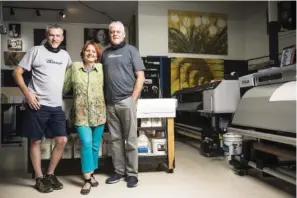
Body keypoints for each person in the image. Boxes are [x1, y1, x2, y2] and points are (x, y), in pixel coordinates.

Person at [12, 24, 72, 193]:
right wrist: (28, 94)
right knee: (36, 141)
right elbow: (17, 72)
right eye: (51, 35)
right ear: (47, 35)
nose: (54, 38)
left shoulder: (65, 56)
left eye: (58, 35)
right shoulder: (36, 51)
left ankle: (50, 174)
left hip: (56, 106)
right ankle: (39, 177)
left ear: (62, 38)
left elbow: (65, 78)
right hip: (37, 104)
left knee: (62, 140)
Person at [101, 21, 145, 188]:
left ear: (124, 34)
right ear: (109, 34)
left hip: (127, 100)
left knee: (131, 140)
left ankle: (132, 174)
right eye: (112, 31)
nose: (115, 34)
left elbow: (140, 75)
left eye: (118, 31)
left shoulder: (131, 51)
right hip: (110, 103)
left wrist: (133, 98)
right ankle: (119, 171)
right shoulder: (104, 54)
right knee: (115, 140)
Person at [63, 41, 106, 195]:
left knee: (95, 146)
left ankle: (91, 173)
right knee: (86, 143)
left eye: (94, 51)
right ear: (83, 53)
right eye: (88, 50)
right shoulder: (74, 67)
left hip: (99, 113)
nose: (91, 53)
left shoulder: (101, 68)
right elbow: (64, 86)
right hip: (81, 114)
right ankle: (87, 178)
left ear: (97, 55)